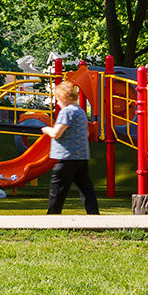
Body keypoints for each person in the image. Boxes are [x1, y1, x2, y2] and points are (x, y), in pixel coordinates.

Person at [40, 81, 99, 215]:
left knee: (58, 188)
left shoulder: (66, 112)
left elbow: (57, 133)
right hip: (82, 156)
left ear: (65, 98)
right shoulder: (81, 112)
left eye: (58, 100)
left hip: (66, 157)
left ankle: (52, 216)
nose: (58, 103)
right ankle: (94, 214)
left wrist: (47, 130)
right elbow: (87, 133)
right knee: (86, 189)